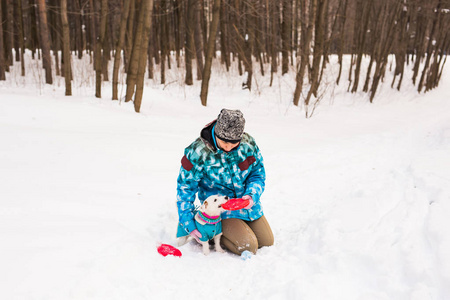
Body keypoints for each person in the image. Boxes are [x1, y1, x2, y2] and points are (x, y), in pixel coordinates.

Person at [176, 109, 274, 255]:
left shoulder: (248, 145)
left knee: (267, 242)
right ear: (216, 133)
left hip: (247, 206)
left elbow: (257, 174)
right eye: (224, 142)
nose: (228, 147)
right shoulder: (197, 152)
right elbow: (185, 187)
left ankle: (237, 228)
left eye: (234, 143)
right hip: (220, 211)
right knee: (249, 246)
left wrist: (252, 196)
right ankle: (211, 234)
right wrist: (188, 222)